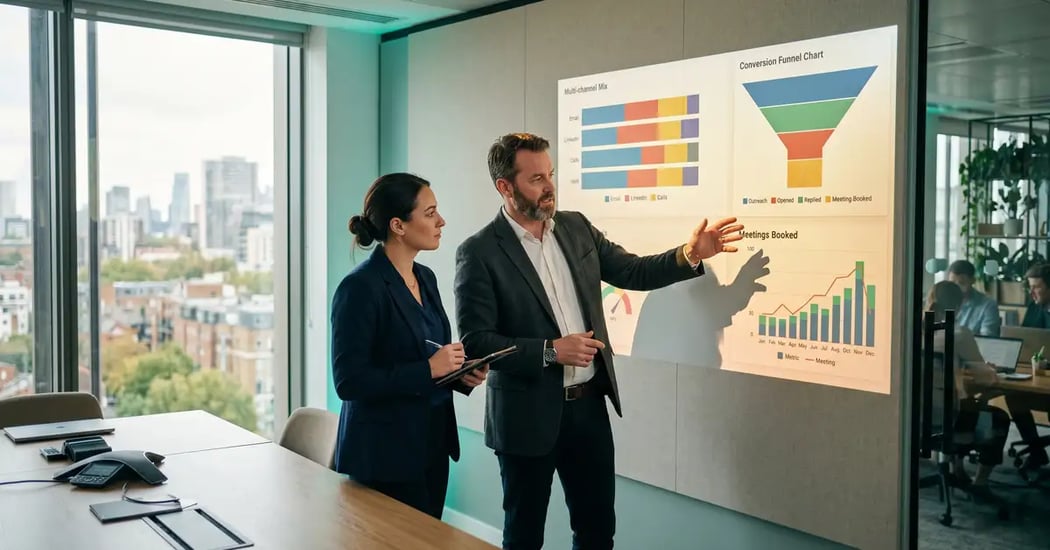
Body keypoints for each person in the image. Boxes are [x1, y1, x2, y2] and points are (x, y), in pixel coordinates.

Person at [453, 132, 743, 550]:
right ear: (505, 187)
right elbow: (478, 341)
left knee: (597, 532)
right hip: (525, 417)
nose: (549, 186)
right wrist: (551, 351)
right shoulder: (480, 251)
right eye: (536, 179)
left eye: (551, 174)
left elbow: (632, 271)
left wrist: (690, 253)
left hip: (587, 409)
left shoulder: (575, 227)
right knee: (524, 536)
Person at [331, 172, 489, 519]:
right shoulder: (360, 288)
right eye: (430, 213)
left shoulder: (426, 278)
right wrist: (429, 369)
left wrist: (459, 374)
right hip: (384, 457)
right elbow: (349, 381)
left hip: (432, 447)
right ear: (398, 225)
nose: (441, 221)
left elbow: (427, 357)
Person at [925, 280, 1008, 494]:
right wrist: (988, 370)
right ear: (959, 305)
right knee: (999, 417)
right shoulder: (959, 333)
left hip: (914, 418)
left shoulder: (912, 329)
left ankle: (956, 469)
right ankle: (979, 483)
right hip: (949, 422)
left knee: (964, 404)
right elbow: (987, 380)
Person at [1006, 262, 1050, 476]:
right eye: (1030, 287)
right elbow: (1025, 342)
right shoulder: (1035, 307)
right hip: (1038, 375)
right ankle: (1036, 451)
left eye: (1036, 287)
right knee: (1014, 398)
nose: (1031, 293)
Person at [947, 259, 1000, 336]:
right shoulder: (943, 300)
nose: (956, 288)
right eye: (952, 283)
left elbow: (987, 337)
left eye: (962, 283)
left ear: (973, 280)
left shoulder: (988, 305)